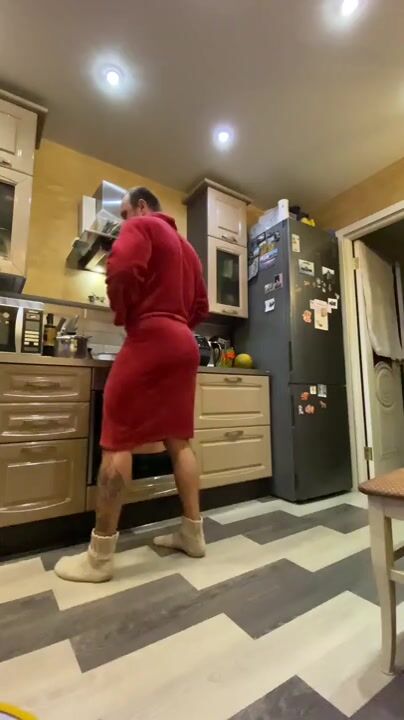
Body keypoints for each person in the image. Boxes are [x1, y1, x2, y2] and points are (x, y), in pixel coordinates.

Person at [55, 187, 209, 583]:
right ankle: (193, 535)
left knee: (117, 439)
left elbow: (122, 269)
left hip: (150, 336)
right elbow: (201, 306)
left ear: (141, 207)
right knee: (179, 439)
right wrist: (176, 327)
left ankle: (99, 558)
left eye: (123, 214)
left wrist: (127, 314)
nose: (123, 222)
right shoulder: (189, 250)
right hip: (183, 342)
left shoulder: (142, 225)